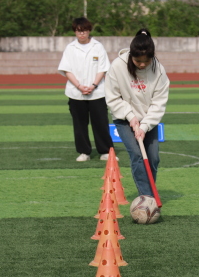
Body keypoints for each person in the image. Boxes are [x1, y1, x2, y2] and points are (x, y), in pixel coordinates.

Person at [105, 29, 170, 198]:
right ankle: (147, 197)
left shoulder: (159, 70)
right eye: (138, 61)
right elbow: (113, 97)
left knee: (153, 157)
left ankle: (149, 193)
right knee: (137, 154)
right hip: (123, 118)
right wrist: (130, 116)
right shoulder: (117, 66)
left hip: (148, 118)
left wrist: (145, 125)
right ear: (131, 56)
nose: (142, 65)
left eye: (146, 61)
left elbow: (159, 102)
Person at [57, 17, 114, 162]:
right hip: (76, 92)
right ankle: (84, 152)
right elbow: (66, 69)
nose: (81, 34)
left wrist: (93, 85)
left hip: (97, 92)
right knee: (79, 124)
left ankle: (105, 151)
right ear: (75, 32)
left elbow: (103, 68)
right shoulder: (70, 48)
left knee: (100, 123)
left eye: (84, 31)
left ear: (89, 31)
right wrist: (79, 86)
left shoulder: (98, 47)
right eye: (78, 31)